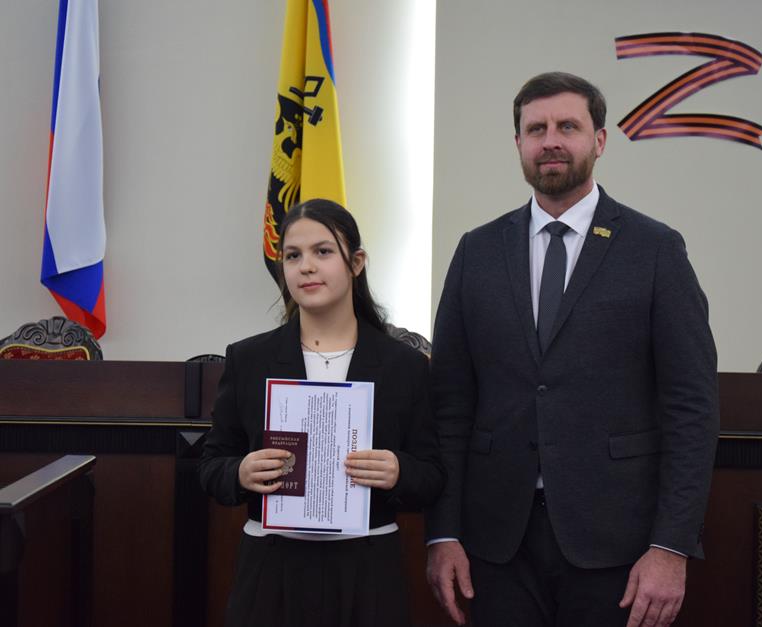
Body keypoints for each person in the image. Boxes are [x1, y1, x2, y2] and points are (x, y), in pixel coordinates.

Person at [425, 72, 719, 627]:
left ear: (599, 140)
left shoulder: (655, 250)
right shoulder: (477, 252)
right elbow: (450, 405)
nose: (550, 141)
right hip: (495, 544)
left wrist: (671, 546)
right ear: (518, 143)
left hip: (617, 546)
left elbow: (692, 409)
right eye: (536, 129)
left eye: (568, 126)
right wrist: (443, 533)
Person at [199, 199, 444, 627]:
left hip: (368, 567)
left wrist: (399, 471)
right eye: (293, 256)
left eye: (323, 251)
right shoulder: (249, 359)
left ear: (356, 263)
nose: (306, 267)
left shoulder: (404, 366)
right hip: (271, 566)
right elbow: (211, 465)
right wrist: (240, 472)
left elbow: (433, 474)